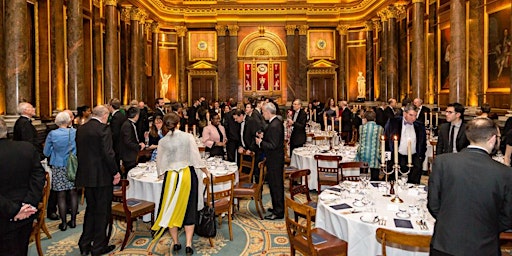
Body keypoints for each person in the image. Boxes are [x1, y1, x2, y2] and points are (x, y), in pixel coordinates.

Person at [428, 117, 512, 255]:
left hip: (445, 243)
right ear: (492, 139)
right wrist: (486, 228)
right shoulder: (505, 173)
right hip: (484, 246)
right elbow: (507, 216)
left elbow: (433, 204)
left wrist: (450, 221)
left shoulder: (443, 162)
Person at [151, 113, 209, 255]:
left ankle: (176, 242)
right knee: (190, 208)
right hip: (186, 176)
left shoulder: (163, 141)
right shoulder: (187, 137)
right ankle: (188, 244)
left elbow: (160, 162)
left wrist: (161, 174)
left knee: (171, 209)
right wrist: (206, 171)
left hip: (171, 177)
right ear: (178, 123)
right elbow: (196, 158)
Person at [75, 105, 120, 256]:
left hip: (86, 176)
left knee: (91, 210)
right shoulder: (103, 129)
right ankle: (98, 247)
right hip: (102, 177)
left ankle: (85, 243)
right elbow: (109, 154)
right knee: (102, 212)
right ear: (105, 115)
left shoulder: (81, 128)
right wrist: (115, 172)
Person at [0, 117, 45, 255]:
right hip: (25, 215)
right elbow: (39, 177)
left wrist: (15, 210)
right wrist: (28, 205)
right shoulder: (26, 148)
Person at [43, 111, 78, 231]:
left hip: (58, 166)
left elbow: (46, 152)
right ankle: (73, 221)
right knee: (73, 193)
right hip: (72, 165)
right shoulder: (74, 132)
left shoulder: (53, 134)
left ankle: (63, 223)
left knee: (61, 195)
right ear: (68, 120)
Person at [384, 104, 427, 184]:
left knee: (413, 184)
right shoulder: (393, 122)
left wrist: (420, 159)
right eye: (411, 115)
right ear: (404, 114)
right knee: (394, 183)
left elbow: (423, 144)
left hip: (414, 158)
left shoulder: (420, 125)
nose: (413, 118)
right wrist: (388, 160)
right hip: (397, 157)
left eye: (415, 115)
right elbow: (386, 141)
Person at [256, 103, 284, 220]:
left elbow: (272, 145)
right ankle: (277, 207)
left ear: (268, 112)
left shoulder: (274, 125)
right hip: (274, 159)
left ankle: (278, 211)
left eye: (263, 112)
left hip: (275, 160)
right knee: (274, 185)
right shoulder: (274, 123)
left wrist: (260, 143)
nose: (263, 115)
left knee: (276, 185)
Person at [234, 109, 263, 181]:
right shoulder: (239, 123)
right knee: (246, 171)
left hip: (253, 151)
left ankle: (257, 190)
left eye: (236, 118)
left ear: (241, 116)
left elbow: (255, 137)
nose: (235, 120)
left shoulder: (252, 121)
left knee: (256, 172)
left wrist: (250, 149)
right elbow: (239, 136)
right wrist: (240, 146)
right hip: (245, 150)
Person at [355, 111, 383, 181]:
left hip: (363, 154)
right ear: (375, 119)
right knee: (375, 177)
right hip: (374, 155)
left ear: (365, 119)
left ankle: (362, 184)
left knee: (362, 176)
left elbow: (360, 140)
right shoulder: (380, 128)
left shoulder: (361, 127)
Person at [119, 107, 145, 176]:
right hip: (128, 155)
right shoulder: (127, 125)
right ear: (136, 115)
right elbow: (127, 142)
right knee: (130, 175)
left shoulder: (129, 124)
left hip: (131, 154)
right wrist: (139, 146)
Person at [109, 98, 126, 170]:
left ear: (110, 106)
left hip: (117, 145)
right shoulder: (121, 115)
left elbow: (115, 133)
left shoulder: (115, 117)